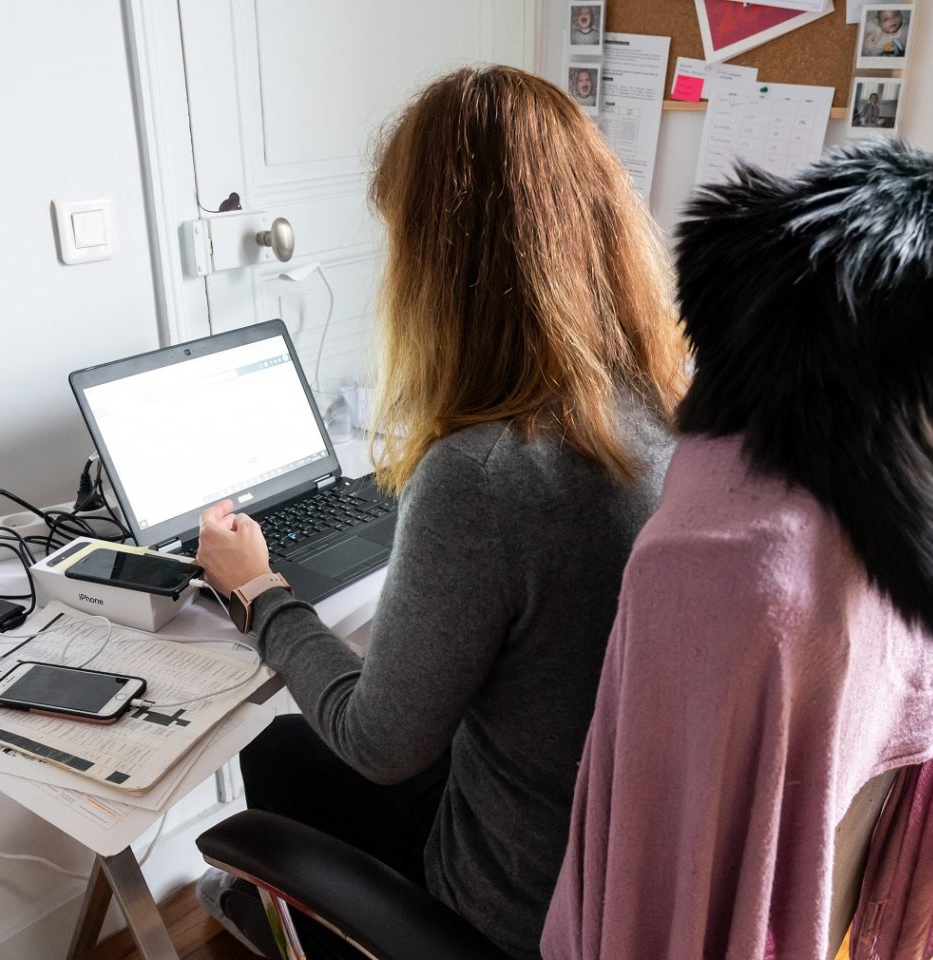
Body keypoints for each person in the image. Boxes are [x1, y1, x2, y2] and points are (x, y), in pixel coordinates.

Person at [195, 65, 686, 960]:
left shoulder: (485, 475)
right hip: (631, 874)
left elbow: (380, 745)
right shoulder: (667, 408)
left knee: (276, 751)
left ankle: (280, 917)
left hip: (518, 910)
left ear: (439, 268)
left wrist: (259, 591)